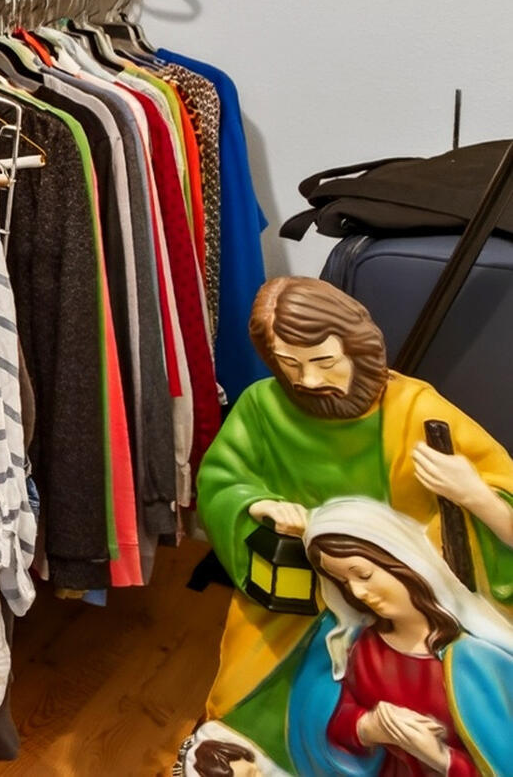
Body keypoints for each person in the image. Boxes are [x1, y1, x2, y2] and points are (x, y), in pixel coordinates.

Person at [197, 280, 513, 768]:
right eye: (288, 363)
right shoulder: (262, 406)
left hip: (412, 604)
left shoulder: (413, 409)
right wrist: (255, 505)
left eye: (324, 361)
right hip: (299, 598)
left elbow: (501, 501)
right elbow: (221, 481)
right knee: (248, 706)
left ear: (358, 348)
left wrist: (473, 495)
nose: (307, 380)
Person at [283, 498, 513, 777]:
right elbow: (330, 720)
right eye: (343, 581)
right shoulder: (361, 647)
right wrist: (369, 727)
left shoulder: (475, 658)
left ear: (401, 560)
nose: (357, 592)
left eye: (363, 575)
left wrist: (440, 757)